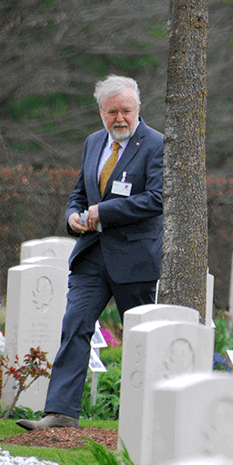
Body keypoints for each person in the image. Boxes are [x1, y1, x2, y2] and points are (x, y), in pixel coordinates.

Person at [17, 75, 163, 430]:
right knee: (75, 325)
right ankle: (61, 414)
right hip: (92, 256)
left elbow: (157, 198)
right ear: (101, 112)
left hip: (135, 260)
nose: (120, 119)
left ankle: (152, 416)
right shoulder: (94, 142)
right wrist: (72, 216)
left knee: (144, 339)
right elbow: (79, 194)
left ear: (138, 109)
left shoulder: (156, 144)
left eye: (126, 111)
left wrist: (106, 212)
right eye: (112, 112)